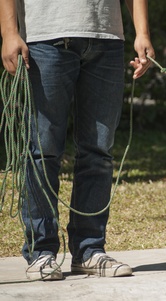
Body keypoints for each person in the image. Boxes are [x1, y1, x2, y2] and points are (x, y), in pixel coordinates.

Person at [0, 0, 155, 280]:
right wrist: (9, 33)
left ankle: (89, 250)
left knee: (99, 152)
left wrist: (142, 31)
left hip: (106, 38)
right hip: (45, 37)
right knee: (42, 152)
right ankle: (41, 252)